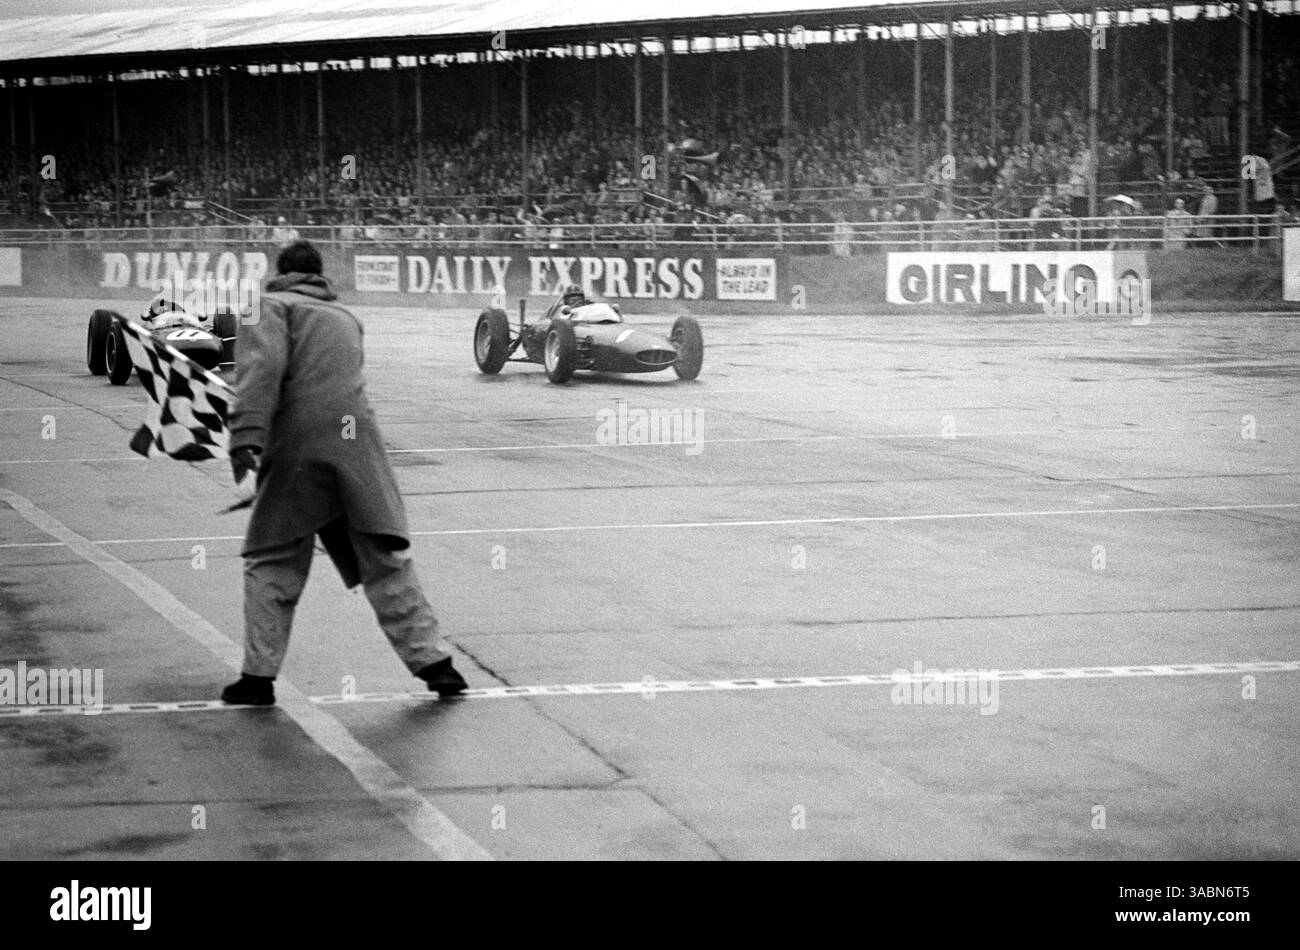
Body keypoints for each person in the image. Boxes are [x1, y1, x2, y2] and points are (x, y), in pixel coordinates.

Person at [221, 240, 467, 706]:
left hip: (300, 444)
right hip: (358, 445)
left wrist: (245, 438)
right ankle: (437, 665)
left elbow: (261, 371)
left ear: (279, 272)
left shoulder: (267, 306)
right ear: (319, 276)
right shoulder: (346, 318)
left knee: (273, 560)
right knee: (384, 559)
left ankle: (257, 678)